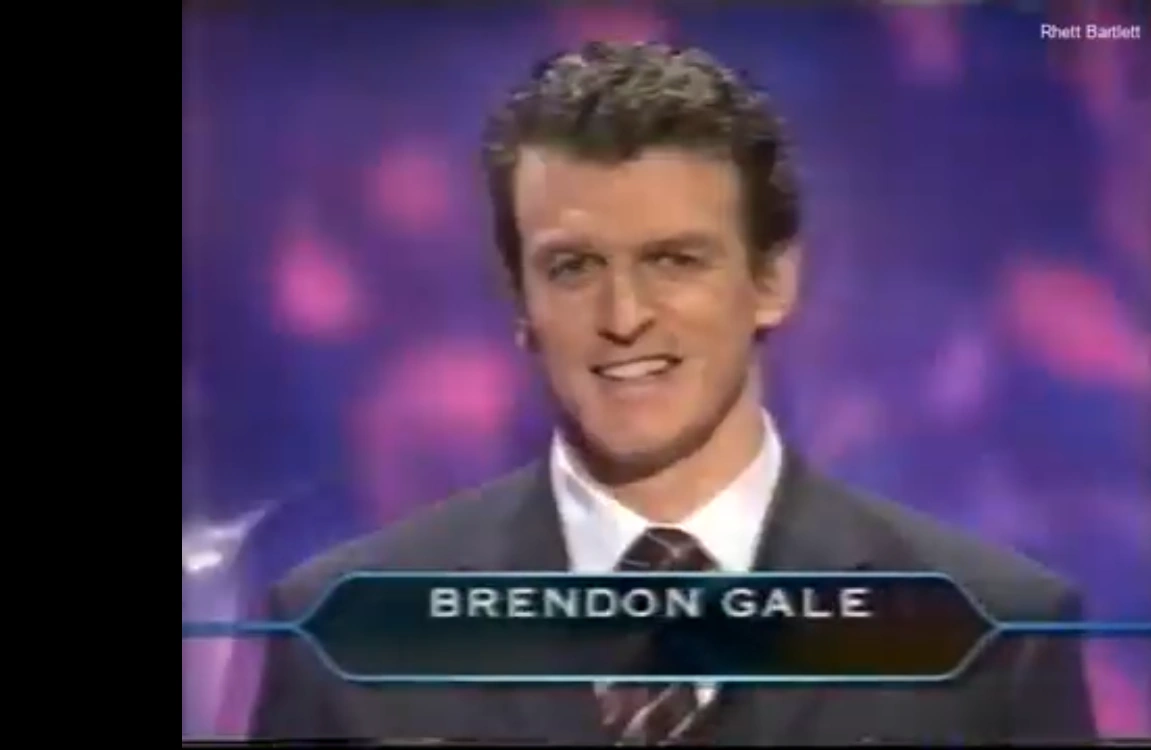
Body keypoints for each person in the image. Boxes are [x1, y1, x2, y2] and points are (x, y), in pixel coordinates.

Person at [249, 41, 1096, 744]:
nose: (624, 318)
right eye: (573, 268)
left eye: (675, 261)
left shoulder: (995, 632)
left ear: (772, 281)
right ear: (520, 301)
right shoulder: (342, 632)